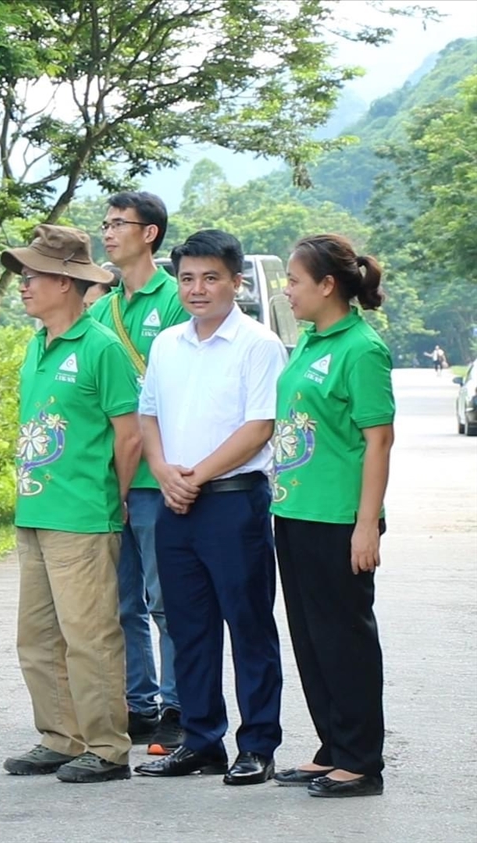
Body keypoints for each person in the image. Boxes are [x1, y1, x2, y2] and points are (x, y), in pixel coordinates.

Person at [133, 230, 286, 786]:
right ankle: (201, 742)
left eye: (211, 277)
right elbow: (147, 414)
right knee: (187, 628)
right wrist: (163, 470)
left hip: (233, 503)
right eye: (188, 278)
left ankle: (258, 745)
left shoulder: (258, 344)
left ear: (236, 281)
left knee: (248, 626)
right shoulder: (167, 343)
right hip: (175, 503)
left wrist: (196, 474)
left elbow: (259, 426)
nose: (198, 289)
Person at [0, 225, 140, 784]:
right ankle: (61, 736)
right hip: (35, 511)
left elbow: (128, 436)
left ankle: (107, 747)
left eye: (33, 276)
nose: (24, 285)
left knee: (90, 636)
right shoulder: (37, 345)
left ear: (66, 282)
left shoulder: (101, 348)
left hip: (82, 516)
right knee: (36, 637)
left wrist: (115, 499)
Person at [270, 235, 394, 798]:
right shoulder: (310, 341)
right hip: (295, 509)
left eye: (294, 281)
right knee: (312, 638)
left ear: (327, 286)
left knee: (345, 638)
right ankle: (333, 747)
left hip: (338, 518)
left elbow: (379, 440)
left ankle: (362, 761)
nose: (286, 290)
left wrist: (366, 523)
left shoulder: (361, 348)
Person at [89, 192, 190, 753]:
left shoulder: (174, 298)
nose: (107, 232)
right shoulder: (102, 308)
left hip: (157, 475)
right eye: (104, 223)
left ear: (149, 234)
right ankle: (139, 703)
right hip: (110, 473)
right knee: (121, 600)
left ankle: (179, 705)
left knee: (164, 600)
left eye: (119, 224)